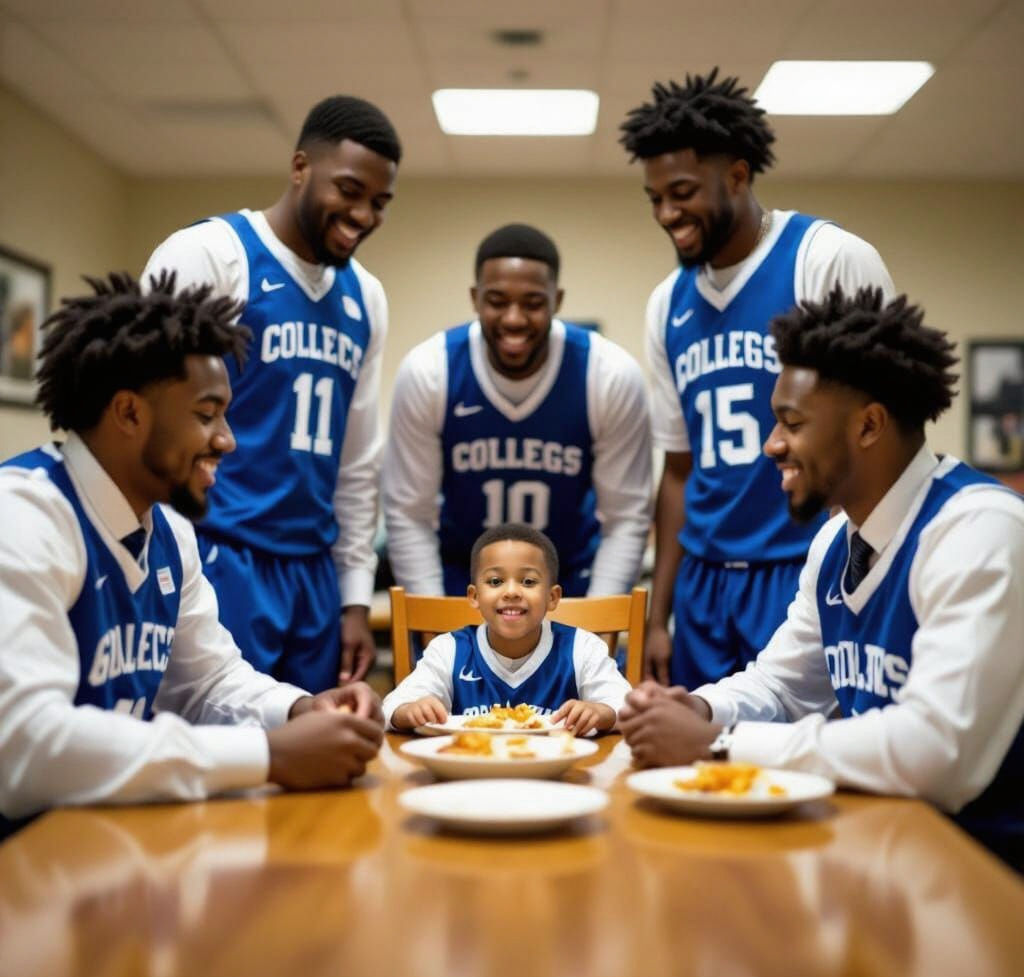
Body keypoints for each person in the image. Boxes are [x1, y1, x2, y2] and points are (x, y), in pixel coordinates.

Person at [620, 286, 1024, 868]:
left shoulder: (978, 530)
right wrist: (697, 711)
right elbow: (783, 687)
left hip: (982, 875)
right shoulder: (836, 540)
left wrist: (722, 745)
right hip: (879, 852)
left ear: (868, 426)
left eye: (792, 422)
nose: (771, 444)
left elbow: (938, 752)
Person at [0, 273, 384, 825]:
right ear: (130, 413)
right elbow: (26, 747)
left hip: (104, 839)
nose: (227, 439)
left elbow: (207, 680)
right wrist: (269, 756)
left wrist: (300, 710)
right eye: (206, 415)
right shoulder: (26, 517)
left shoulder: (170, 531)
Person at [619, 68, 895, 689]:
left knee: (805, 764)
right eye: (656, 198)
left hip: (803, 563)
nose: (667, 213)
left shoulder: (825, 259)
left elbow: (884, 436)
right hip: (703, 582)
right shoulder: (667, 303)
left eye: (683, 192)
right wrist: (657, 614)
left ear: (738, 175)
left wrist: (867, 573)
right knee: (697, 762)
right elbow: (679, 471)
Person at [142, 95, 401, 692]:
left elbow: (357, 465)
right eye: (350, 189)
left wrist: (355, 600)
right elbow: (150, 429)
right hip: (220, 551)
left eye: (380, 202)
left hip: (314, 573)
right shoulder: (211, 254)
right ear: (300, 166)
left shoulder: (367, 296)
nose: (363, 213)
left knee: (316, 753)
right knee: (224, 749)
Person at [383, 223, 652, 598]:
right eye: (497, 301)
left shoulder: (608, 374)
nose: (513, 318)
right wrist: (433, 624)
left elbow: (626, 519)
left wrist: (598, 629)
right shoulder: (430, 370)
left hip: (569, 582)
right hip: (462, 583)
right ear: (475, 298)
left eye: (532, 303)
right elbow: (409, 514)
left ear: (556, 301)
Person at [382, 524, 631, 735]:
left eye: (529, 582)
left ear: (552, 597)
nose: (511, 592)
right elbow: (389, 708)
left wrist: (601, 712)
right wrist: (408, 711)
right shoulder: (449, 650)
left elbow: (626, 706)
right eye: (495, 581)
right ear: (474, 596)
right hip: (469, 775)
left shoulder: (581, 647)